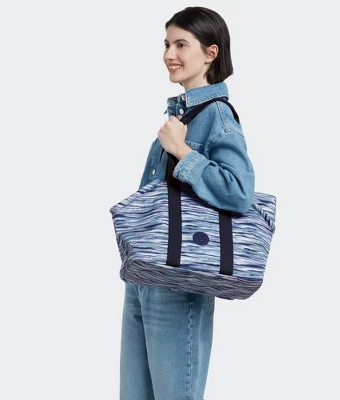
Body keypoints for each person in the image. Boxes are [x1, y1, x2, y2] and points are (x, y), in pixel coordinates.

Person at [120, 6, 255, 400]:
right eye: (166, 44)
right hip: (145, 274)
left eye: (181, 45)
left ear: (211, 53)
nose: (169, 54)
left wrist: (183, 152)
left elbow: (239, 191)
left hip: (179, 281)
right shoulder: (183, 115)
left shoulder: (218, 117)